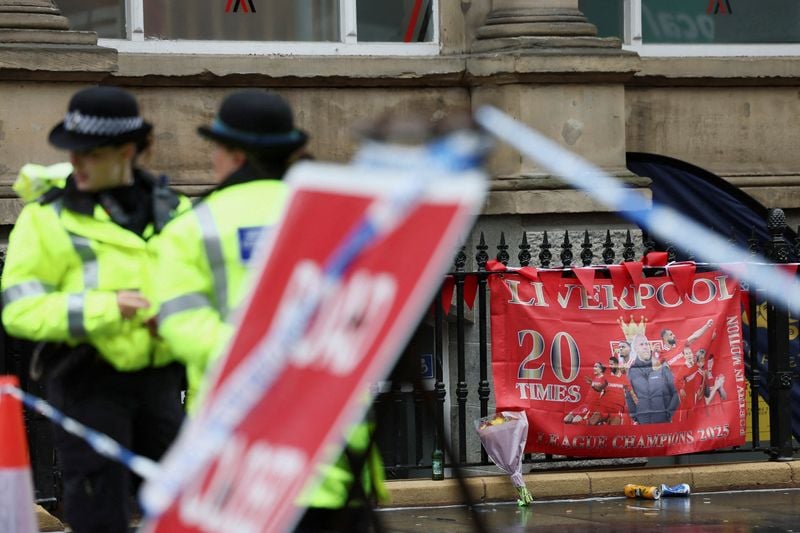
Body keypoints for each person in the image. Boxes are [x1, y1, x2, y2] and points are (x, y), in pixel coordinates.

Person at [153, 89, 387, 532]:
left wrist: (260, 355)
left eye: (216, 149)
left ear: (237, 155)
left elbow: (182, 326)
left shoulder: (192, 227)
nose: (213, 161)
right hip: (333, 445)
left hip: (241, 455)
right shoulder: (334, 217)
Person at [1, 86, 190, 533]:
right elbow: (19, 309)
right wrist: (106, 308)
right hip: (86, 383)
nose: (77, 163)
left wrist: (175, 319)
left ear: (128, 151)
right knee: (99, 515)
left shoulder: (174, 210)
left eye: (91, 153)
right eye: (73, 152)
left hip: (161, 383)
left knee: (182, 512)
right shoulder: (46, 218)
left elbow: (196, 291)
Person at [626, 333, 679, 424]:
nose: (645, 347)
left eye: (646, 344)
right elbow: (629, 396)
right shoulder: (632, 371)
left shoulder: (662, 367)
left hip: (663, 422)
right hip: (643, 423)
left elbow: (676, 391)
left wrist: (668, 414)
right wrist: (636, 417)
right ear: (635, 348)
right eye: (641, 344)